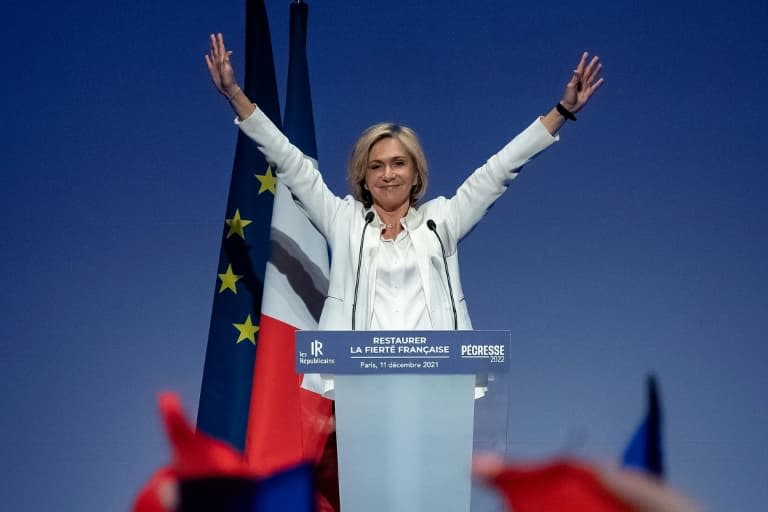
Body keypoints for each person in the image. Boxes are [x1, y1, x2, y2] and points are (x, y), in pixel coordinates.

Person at [205, 33, 603, 395]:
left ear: (415, 173)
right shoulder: (344, 222)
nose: (388, 174)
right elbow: (291, 164)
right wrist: (236, 96)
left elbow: (498, 170)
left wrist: (561, 112)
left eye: (398, 163)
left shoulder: (441, 221)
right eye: (376, 166)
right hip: (359, 388)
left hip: (437, 386)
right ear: (363, 176)